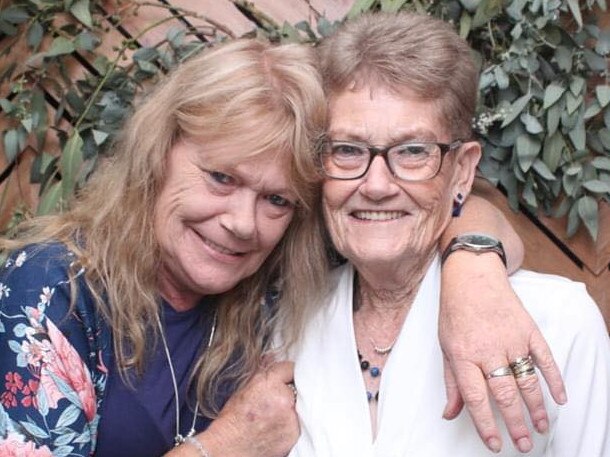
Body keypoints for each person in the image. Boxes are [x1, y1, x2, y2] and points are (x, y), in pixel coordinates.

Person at [0, 35, 553, 457]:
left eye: (277, 200)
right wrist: (224, 445)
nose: (243, 223)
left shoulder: (277, 277)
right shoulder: (51, 290)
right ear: (158, 154)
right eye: (221, 177)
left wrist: (472, 271)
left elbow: (431, 201)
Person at [288, 12, 610, 457]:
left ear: (462, 171)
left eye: (413, 151)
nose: (377, 185)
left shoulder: (559, 321)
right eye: (347, 150)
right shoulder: (286, 321)